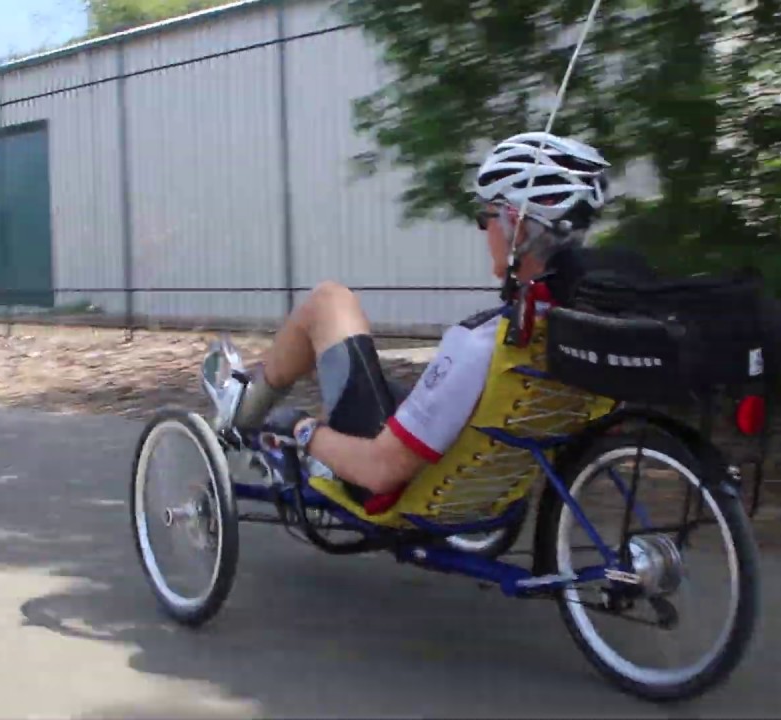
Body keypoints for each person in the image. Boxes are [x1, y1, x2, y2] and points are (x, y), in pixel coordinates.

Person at [218, 131, 612, 503]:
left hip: (386, 481)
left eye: (486, 217)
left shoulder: (479, 345)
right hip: (483, 481)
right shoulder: (580, 324)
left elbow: (381, 471)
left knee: (329, 301)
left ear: (518, 226)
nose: (483, 230)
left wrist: (300, 429)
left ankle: (239, 415)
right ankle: (245, 401)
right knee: (369, 377)